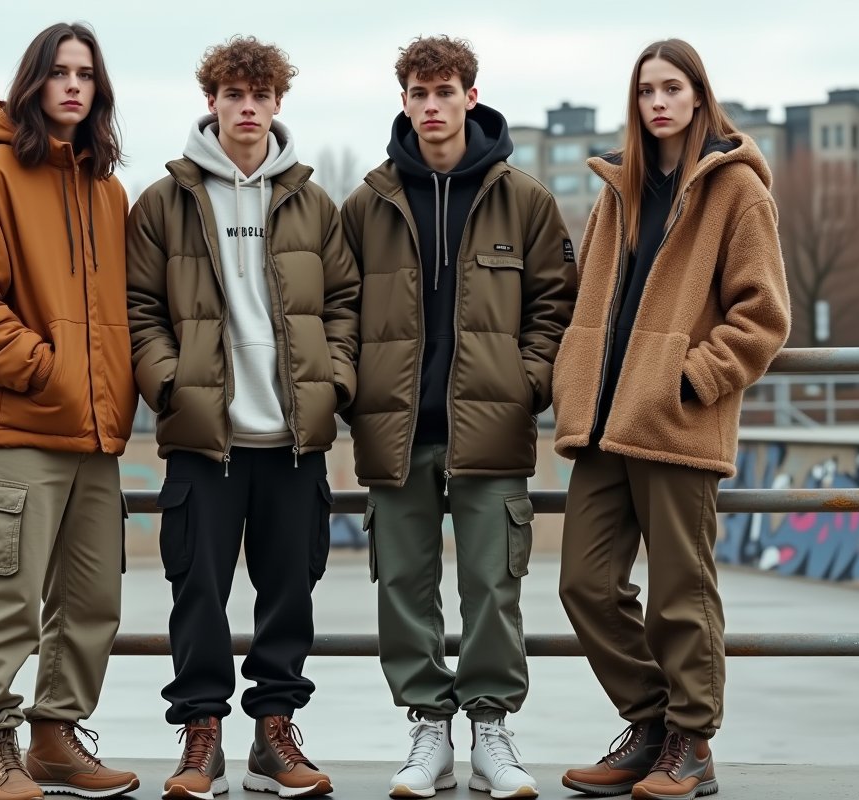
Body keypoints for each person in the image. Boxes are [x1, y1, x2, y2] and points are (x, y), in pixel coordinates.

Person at [552, 39, 791, 800]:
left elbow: (764, 316)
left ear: (698, 96)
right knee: (584, 584)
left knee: (680, 591)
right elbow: (584, 300)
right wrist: (570, 377)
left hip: (677, 421)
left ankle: (693, 743)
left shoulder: (737, 190)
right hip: (603, 422)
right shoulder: (616, 189)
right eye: (646, 90)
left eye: (672, 88)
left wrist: (693, 380)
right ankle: (654, 725)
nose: (658, 101)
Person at [341, 35, 577, 800]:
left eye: (445, 92)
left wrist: (525, 384)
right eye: (418, 93)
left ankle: (491, 731)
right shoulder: (367, 202)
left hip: (493, 431)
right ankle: (427, 730)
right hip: (396, 432)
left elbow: (556, 309)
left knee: (491, 586)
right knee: (402, 587)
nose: (432, 106)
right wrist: (352, 387)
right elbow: (335, 311)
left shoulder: (525, 198)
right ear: (404, 101)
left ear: (470, 98)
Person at [126, 35, 360, 800]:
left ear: (278, 104)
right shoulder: (164, 202)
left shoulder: (313, 202)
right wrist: (171, 387)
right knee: (198, 592)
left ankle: (274, 732)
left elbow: (346, 307)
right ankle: (202, 738)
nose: (247, 108)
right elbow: (140, 310)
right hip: (206, 439)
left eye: (259, 95)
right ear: (213, 103)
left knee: (289, 591)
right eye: (233, 95)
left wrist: (335, 382)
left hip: (293, 440)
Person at [0, 22, 139, 800]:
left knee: (92, 601)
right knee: (7, 599)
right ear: (33, 85)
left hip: (96, 437)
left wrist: (109, 392)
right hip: (22, 427)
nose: (74, 86)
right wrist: (47, 371)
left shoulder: (107, 190)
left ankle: (56, 739)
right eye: (59, 72)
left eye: (86, 74)